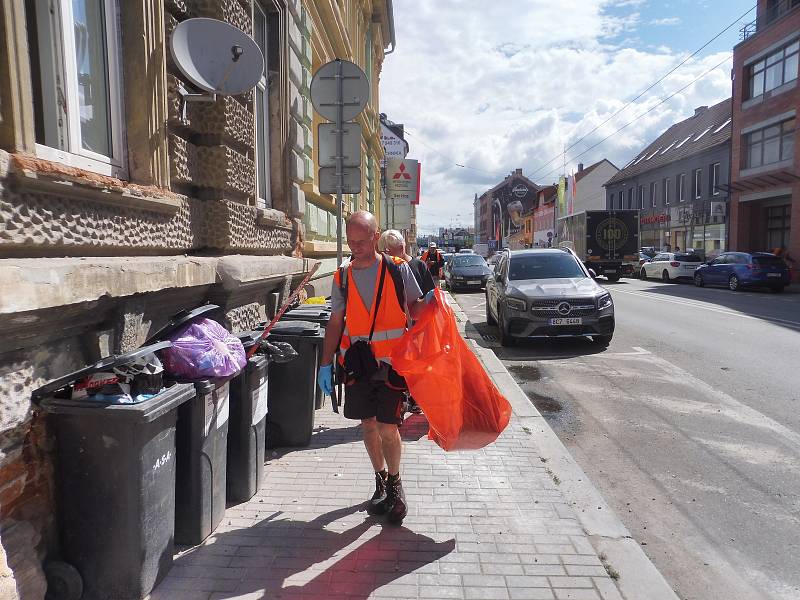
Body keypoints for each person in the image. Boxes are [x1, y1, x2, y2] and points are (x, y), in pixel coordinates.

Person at [317, 212, 434, 525]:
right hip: (358, 364)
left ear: (375, 235)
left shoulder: (397, 269)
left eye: (362, 241)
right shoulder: (342, 276)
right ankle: (380, 480)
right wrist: (325, 363)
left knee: (387, 427)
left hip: (393, 364)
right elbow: (335, 321)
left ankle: (396, 485)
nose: (356, 248)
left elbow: (416, 308)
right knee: (367, 426)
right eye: (351, 242)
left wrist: (434, 304)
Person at [378, 230, 435, 295]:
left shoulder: (419, 266)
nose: (385, 256)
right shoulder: (382, 268)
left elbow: (430, 295)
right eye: (382, 252)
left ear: (401, 248)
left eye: (388, 252)